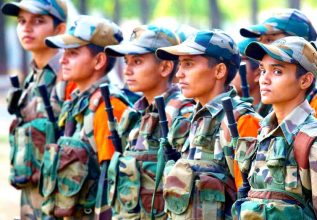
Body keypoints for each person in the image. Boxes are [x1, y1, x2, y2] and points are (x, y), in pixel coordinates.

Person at [232, 36, 317, 219]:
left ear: (305, 81)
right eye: (263, 70)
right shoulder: (264, 134)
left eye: (277, 72)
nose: (264, 79)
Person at [156, 29, 262, 219]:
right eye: (180, 65)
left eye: (188, 64)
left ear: (219, 70)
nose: (179, 74)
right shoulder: (193, 118)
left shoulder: (240, 121)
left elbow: (253, 203)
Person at [39, 15, 129, 219]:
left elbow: (111, 185)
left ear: (99, 61)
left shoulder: (109, 107)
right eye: (64, 53)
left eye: (73, 53)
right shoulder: (75, 102)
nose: (62, 60)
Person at [104, 25, 195, 219]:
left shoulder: (182, 114)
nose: (127, 70)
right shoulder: (135, 114)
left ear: (165, 67)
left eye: (137, 61)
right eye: (126, 62)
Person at [1, 0, 74, 218]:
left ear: (60, 29)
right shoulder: (33, 78)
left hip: (63, 202)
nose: (27, 27)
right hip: (32, 201)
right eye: (22, 21)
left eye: (38, 21)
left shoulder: (70, 75)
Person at [240, 8, 317, 124]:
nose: (265, 47)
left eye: (269, 40)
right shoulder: (277, 96)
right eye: (260, 40)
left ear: (298, 42)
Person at [231, 38, 272, 117]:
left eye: (237, 62)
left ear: (258, 74)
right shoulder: (230, 108)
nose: (230, 70)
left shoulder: (272, 114)